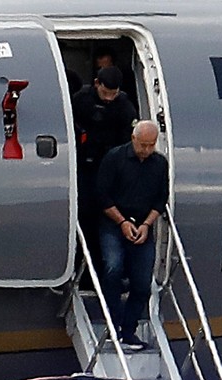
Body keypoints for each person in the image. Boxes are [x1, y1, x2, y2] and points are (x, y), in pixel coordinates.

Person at [96, 120, 168, 351]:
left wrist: (147, 225)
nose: (147, 150)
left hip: (142, 225)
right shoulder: (114, 158)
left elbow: (161, 199)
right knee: (113, 268)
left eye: (151, 145)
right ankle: (112, 324)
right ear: (133, 138)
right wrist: (123, 222)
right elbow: (102, 197)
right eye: (143, 145)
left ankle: (129, 330)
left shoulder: (159, 164)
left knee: (142, 284)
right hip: (114, 222)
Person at [71, 65, 138, 277]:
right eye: (105, 93)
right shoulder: (80, 100)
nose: (109, 98)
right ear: (97, 84)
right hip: (84, 167)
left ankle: (101, 272)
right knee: (83, 215)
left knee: (106, 219)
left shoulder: (125, 107)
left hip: (109, 170)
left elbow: (129, 142)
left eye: (113, 94)